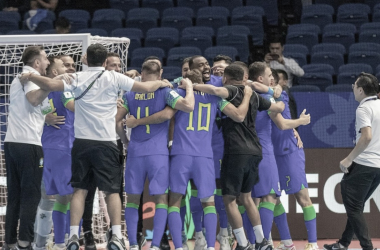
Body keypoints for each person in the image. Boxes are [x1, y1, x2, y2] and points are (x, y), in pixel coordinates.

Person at [18, 43, 172, 250]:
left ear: (85, 60)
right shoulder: (114, 77)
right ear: (106, 62)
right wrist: (162, 82)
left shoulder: (77, 77)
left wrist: (30, 77)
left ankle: (73, 235)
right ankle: (116, 235)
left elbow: (50, 85)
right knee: (112, 192)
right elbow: (146, 87)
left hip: (81, 143)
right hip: (106, 143)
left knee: (79, 191)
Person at [191, 64, 285, 250]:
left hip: (236, 151)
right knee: (247, 198)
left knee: (229, 199)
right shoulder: (255, 95)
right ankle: (262, 241)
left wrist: (192, 86)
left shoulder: (232, 91)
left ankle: (242, 243)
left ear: (226, 78)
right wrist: (280, 97)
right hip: (255, 151)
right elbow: (277, 107)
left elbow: (215, 90)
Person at [116, 60, 194, 250]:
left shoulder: (130, 94)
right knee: (161, 200)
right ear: (160, 74)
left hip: (135, 151)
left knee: (132, 200)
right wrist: (190, 88)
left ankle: (133, 244)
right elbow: (186, 107)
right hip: (157, 153)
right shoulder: (165, 91)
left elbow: (116, 121)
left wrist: (126, 142)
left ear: (142, 74)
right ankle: (156, 245)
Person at [324, 73, 380, 250]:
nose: (353, 88)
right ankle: (343, 243)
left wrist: (349, 159)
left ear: (361, 90)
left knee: (353, 205)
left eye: (355, 85)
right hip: (377, 167)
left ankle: (367, 247)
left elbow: (367, 136)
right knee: (357, 205)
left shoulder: (363, 109)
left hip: (365, 164)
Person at [3, 45, 51, 250]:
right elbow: (33, 99)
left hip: (12, 142)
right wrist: (50, 85)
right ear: (37, 62)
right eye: (45, 58)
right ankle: (25, 242)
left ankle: (10, 242)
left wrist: (48, 114)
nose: (48, 62)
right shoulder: (29, 76)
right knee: (30, 195)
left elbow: (43, 108)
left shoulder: (24, 78)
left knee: (14, 194)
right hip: (28, 144)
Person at [41, 56, 74, 250]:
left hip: (48, 148)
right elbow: (72, 106)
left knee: (56, 197)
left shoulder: (42, 90)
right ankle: (69, 239)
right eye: (64, 65)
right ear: (55, 71)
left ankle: (57, 241)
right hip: (65, 148)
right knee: (70, 196)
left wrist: (44, 117)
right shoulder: (64, 87)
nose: (69, 69)